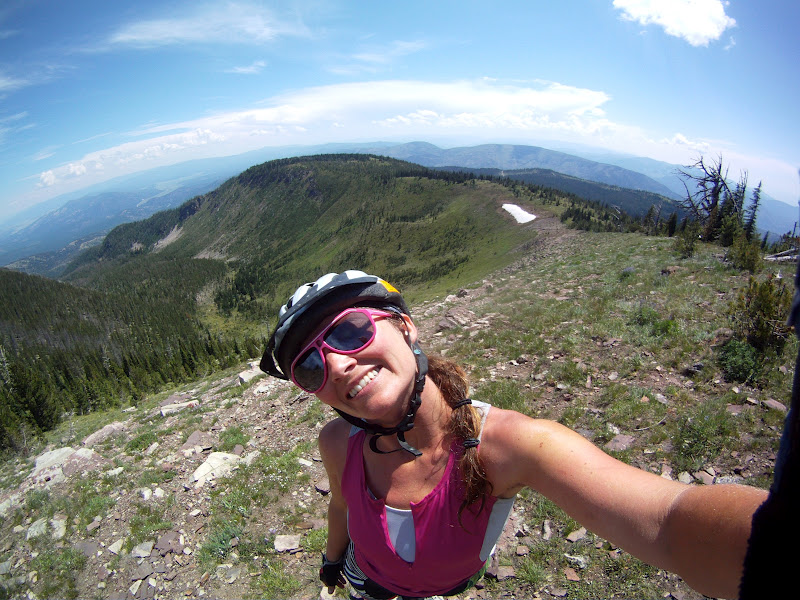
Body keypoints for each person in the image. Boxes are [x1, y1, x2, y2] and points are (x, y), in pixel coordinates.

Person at [260, 270, 768, 600]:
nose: (338, 364)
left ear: (405, 327)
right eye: (310, 367)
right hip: (364, 577)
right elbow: (343, 508)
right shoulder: (336, 442)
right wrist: (333, 560)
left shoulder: (509, 446)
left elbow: (668, 521)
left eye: (351, 331)